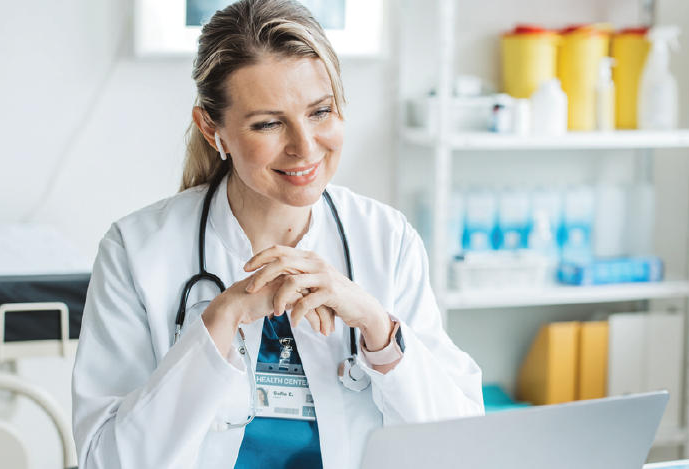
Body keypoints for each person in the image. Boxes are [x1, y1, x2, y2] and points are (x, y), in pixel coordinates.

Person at [71, 1, 484, 468]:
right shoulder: (137, 251)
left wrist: (378, 329)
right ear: (212, 129)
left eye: (320, 112)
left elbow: (463, 444)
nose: (305, 147)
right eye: (268, 123)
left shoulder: (386, 240)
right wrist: (218, 323)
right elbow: (104, 461)